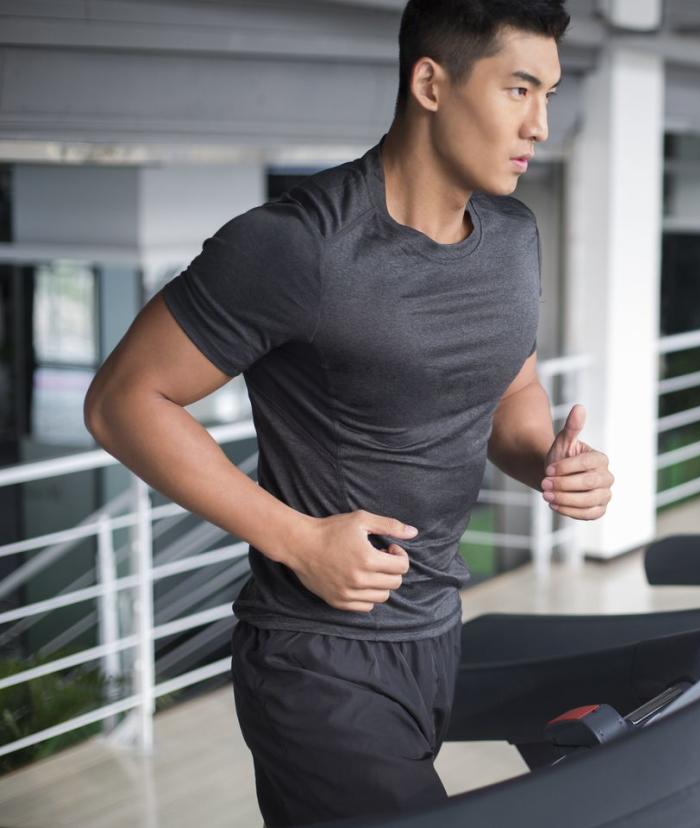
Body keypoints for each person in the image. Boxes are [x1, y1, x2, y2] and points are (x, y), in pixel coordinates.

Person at [83, 1, 613, 824]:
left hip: (437, 631)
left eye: (548, 92)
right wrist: (295, 537)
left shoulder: (512, 235)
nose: (540, 123)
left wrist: (550, 459)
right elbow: (123, 402)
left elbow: (511, 395)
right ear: (431, 82)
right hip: (316, 658)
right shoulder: (297, 246)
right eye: (518, 89)